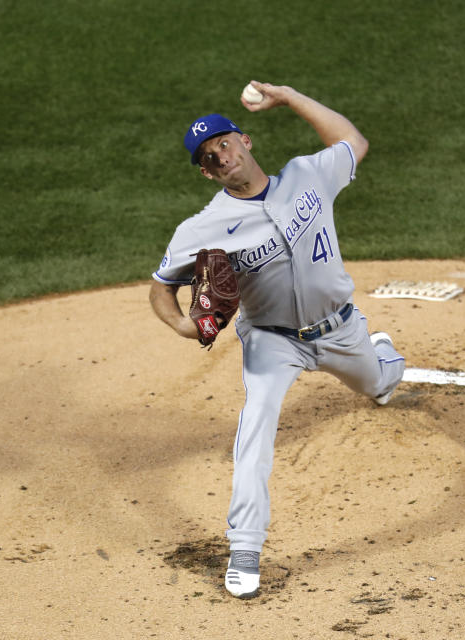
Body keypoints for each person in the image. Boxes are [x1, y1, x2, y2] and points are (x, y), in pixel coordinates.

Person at [149, 81, 405, 599]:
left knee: (377, 381)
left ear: (245, 141)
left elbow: (354, 141)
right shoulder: (202, 228)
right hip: (271, 340)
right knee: (255, 431)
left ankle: (382, 362)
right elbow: (161, 289)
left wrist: (288, 97)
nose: (220, 156)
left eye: (223, 143)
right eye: (208, 157)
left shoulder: (308, 175)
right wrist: (183, 325)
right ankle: (245, 550)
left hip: (341, 328)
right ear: (205, 173)